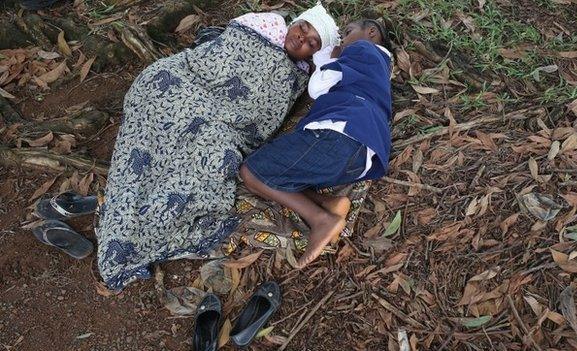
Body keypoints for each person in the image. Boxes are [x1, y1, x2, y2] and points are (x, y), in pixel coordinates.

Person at [91, 3, 340, 290]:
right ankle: (127, 214)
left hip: (222, 119)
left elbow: (260, 111)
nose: (302, 38)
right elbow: (215, 57)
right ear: (294, 22)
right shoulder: (262, 29)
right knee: (158, 96)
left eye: (312, 43)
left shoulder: (293, 74)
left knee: (209, 153)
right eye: (303, 28)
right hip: (186, 84)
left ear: (312, 55)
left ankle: (131, 233)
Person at [240, 19, 393, 269]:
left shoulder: (362, 49)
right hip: (361, 158)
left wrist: (332, 58)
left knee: (251, 172)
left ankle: (320, 218)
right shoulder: (382, 68)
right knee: (277, 176)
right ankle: (329, 203)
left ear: (371, 32)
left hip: (340, 136)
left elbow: (318, 86)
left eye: (348, 32)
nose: (344, 39)